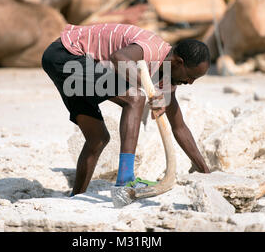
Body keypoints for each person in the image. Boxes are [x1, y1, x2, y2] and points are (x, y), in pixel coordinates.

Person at [42, 23, 211, 196]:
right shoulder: (152, 49)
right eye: (191, 77)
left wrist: (205, 171)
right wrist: (149, 91)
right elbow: (119, 57)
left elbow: (179, 127)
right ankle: (125, 180)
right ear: (178, 62)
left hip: (77, 64)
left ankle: (76, 197)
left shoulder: (167, 76)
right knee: (135, 99)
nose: (190, 83)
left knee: (97, 138)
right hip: (65, 55)